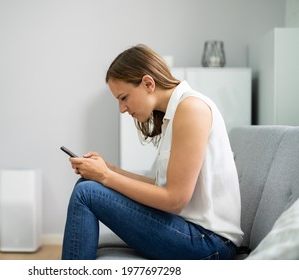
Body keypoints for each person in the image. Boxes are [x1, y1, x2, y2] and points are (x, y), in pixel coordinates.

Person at [61, 44, 244, 260]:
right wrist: (110, 169)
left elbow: (175, 199)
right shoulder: (174, 114)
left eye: (124, 97)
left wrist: (105, 176)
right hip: (191, 231)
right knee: (86, 185)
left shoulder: (192, 109)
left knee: (87, 192)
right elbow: (161, 187)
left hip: (210, 243)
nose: (122, 109)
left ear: (148, 83)